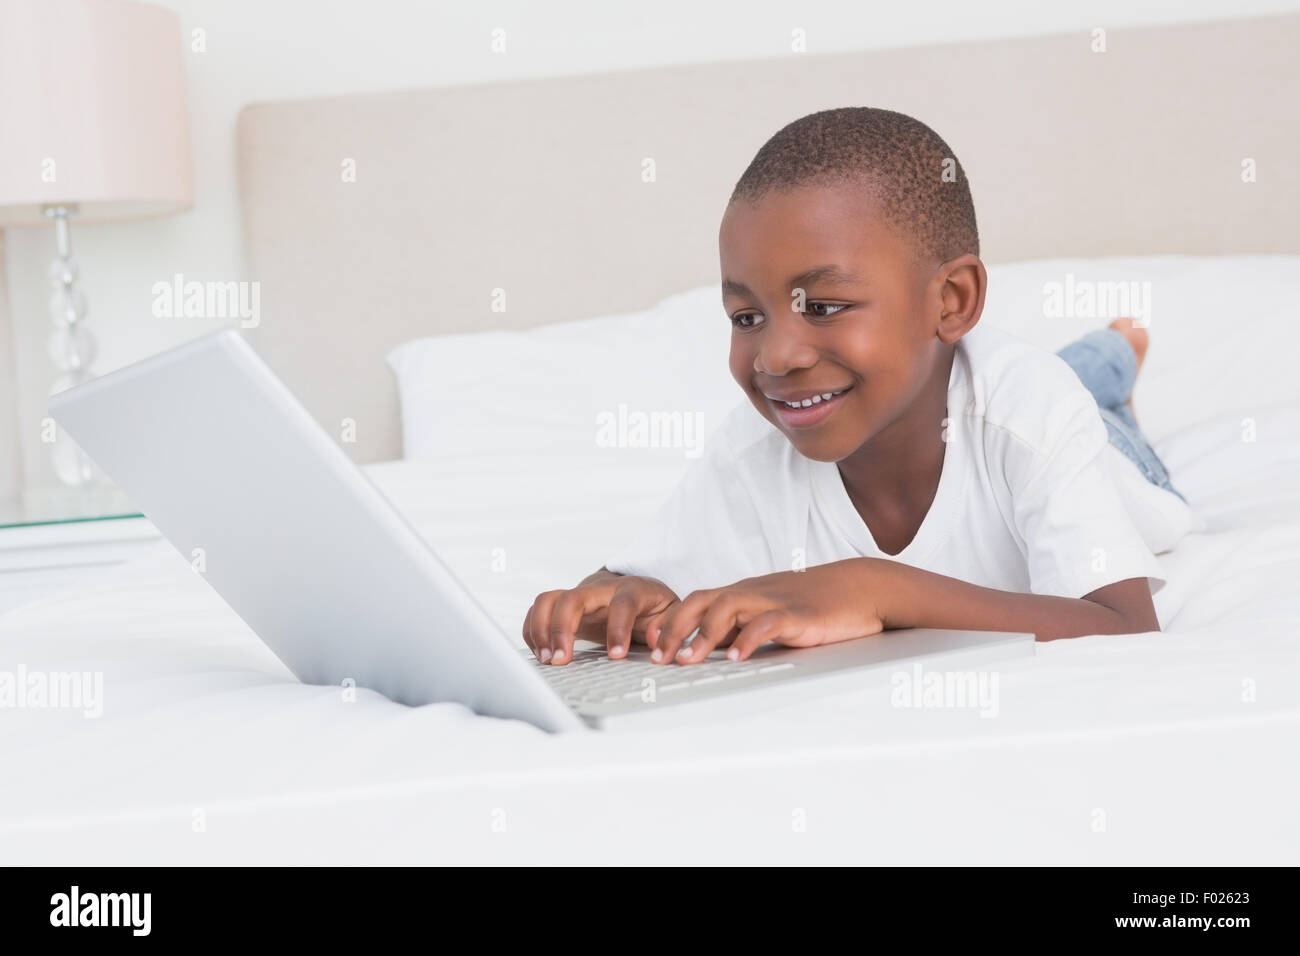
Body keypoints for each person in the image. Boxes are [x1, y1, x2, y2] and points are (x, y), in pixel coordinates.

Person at [522, 107, 1196, 665]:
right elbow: (649, 576)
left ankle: (1112, 355)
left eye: (824, 306)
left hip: (1100, 445)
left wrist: (875, 587)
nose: (778, 356)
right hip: (970, 383)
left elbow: (1125, 627)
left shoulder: (1031, 413)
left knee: (1090, 398)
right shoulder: (755, 450)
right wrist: (610, 601)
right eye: (747, 316)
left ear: (952, 300)